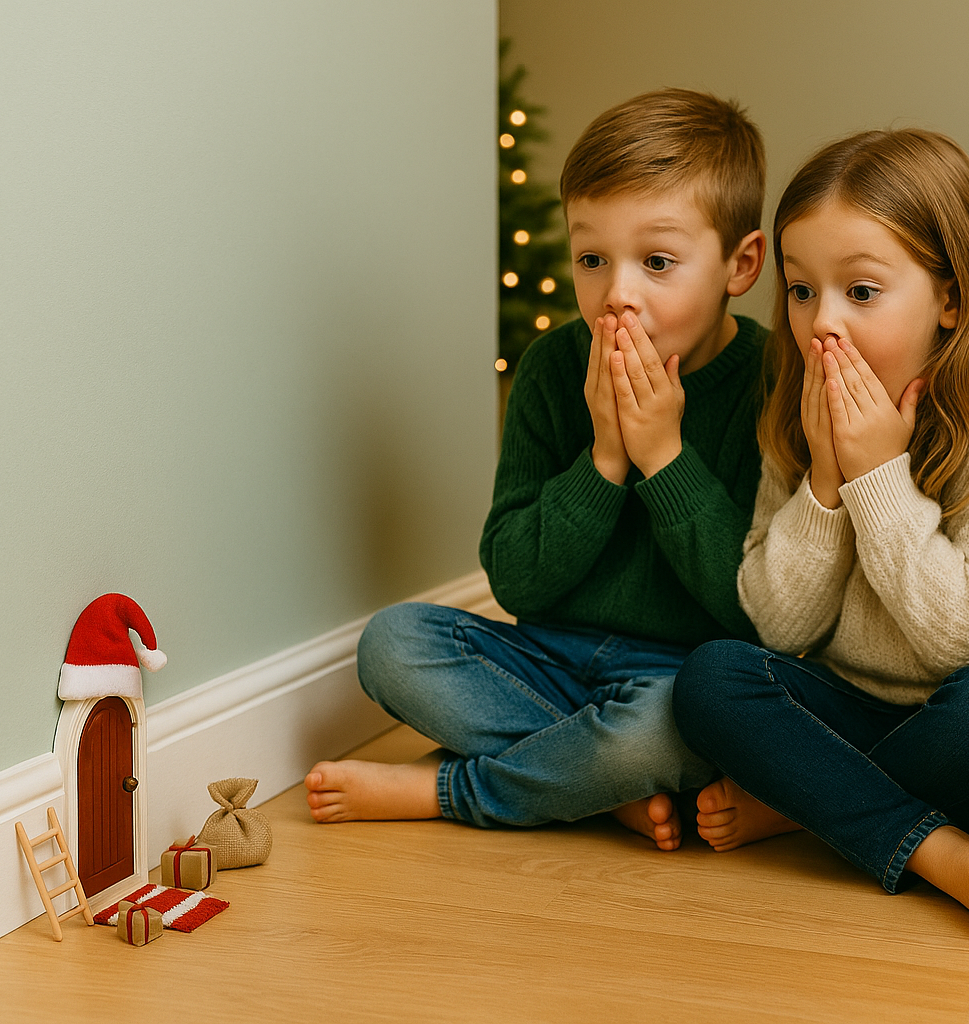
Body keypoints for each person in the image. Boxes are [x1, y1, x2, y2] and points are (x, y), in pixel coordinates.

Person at [305, 88, 768, 851]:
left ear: (739, 264)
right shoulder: (555, 370)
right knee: (391, 643)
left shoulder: (773, 382)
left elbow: (753, 609)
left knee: (661, 735)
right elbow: (516, 581)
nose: (617, 294)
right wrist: (607, 458)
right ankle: (592, 785)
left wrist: (664, 456)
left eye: (657, 262)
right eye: (592, 259)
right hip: (546, 658)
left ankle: (456, 791)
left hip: (679, 681)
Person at [672, 129, 969, 941]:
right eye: (803, 290)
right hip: (834, 704)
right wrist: (822, 478)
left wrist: (879, 476)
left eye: (861, 291)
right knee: (712, 676)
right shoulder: (794, 399)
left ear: (950, 298)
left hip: (950, 712)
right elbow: (779, 626)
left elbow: (962, 640)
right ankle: (927, 844)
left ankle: (802, 802)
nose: (825, 326)